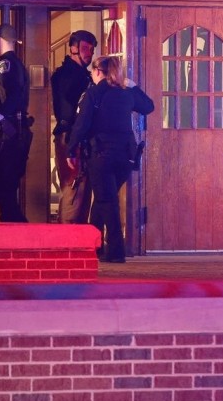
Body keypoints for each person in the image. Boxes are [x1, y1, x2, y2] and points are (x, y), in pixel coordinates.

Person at [66, 55, 153, 263]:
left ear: (97, 72)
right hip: (125, 156)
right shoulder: (126, 93)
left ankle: (116, 252)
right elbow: (148, 106)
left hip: (101, 154)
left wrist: (71, 149)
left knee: (107, 200)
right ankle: (93, 247)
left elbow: (82, 124)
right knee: (104, 197)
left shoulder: (93, 94)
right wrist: (131, 85)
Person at [0, 22, 32, 222]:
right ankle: (14, 230)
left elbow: (11, 96)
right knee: (5, 187)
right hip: (11, 131)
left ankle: (18, 232)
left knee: (5, 186)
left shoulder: (6, 65)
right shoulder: (13, 63)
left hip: (8, 133)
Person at [50, 29, 98, 223]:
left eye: (92, 49)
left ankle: (79, 239)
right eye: (85, 48)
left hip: (80, 138)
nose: (89, 53)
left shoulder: (84, 75)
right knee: (73, 189)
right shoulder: (65, 75)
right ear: (73, 48)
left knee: (84, 189)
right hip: (69, 137)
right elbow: (71, 108)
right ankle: (66, 241)